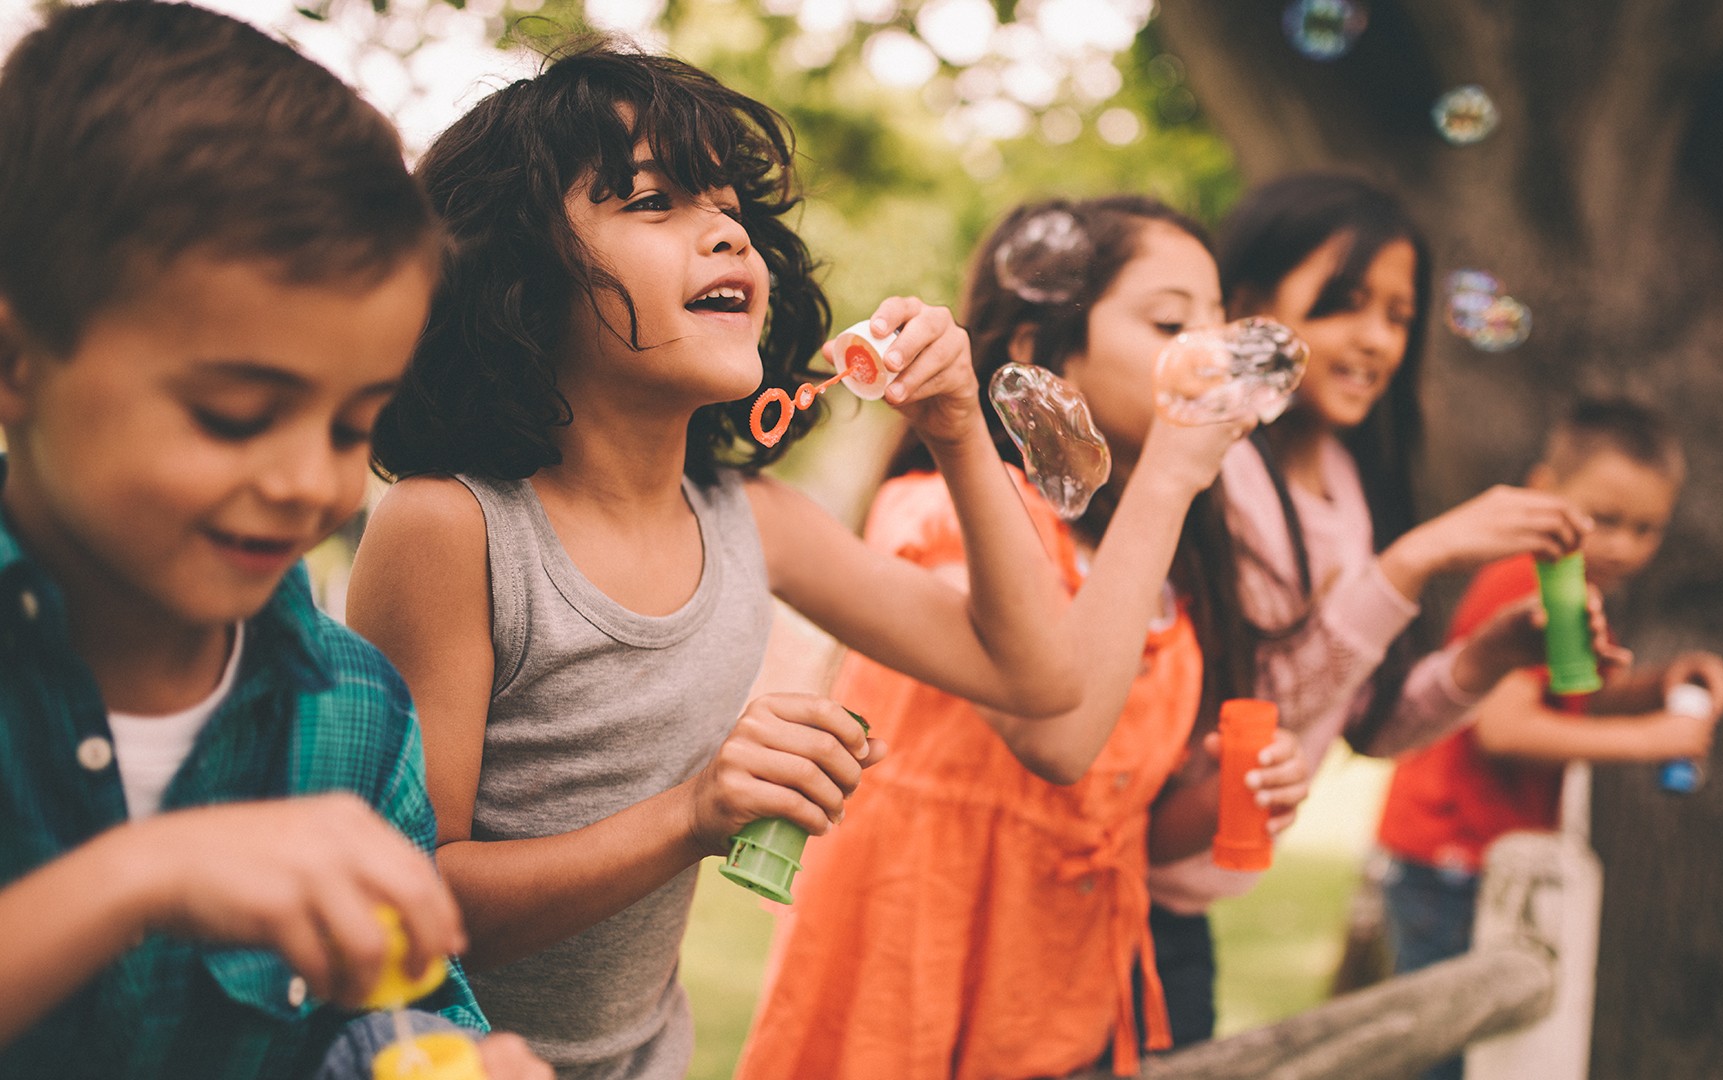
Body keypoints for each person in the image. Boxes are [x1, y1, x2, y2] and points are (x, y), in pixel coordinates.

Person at [345, 43, 1082, 1080]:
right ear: (518, 272)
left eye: (732, 207)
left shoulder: (749, 518)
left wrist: (959, 428)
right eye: (654, 202)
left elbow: (1037, 676)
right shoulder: (452, 530)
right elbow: (402, 905)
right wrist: (694, 814)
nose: (727, 231)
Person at [0, 3, 546, 1077]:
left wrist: (448, 1057)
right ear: (19, 364)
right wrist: (136, 879)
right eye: (235, 415)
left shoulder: (355, 711)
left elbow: (387, 1007)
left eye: (353, 426)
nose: (309, 484)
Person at [736, 195, 1311, 1080]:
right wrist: (1167, 480)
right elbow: (1057, 738)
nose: (1216, 349)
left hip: (1064, 1000)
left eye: (1220, 319)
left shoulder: (1151, 570)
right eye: (1170, 320)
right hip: (913, 979)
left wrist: (1233, 801)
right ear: (1042, 355)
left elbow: (1114, 817)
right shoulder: (943, 518)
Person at [1144, 172, 1596, 1047]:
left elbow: (1369, 724)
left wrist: (1485, 659)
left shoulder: (1357, 486)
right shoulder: (1212, 473)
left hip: (1186, 914)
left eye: (1398, 314)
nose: (1376, 339)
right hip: (1124, 882)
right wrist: (1407, 565)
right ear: (1244, 306)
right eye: (1343, 302)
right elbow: (1261, 704)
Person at [1373, 398, 1723, 1080]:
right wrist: (1655, 738)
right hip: (1449, 860)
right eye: (1605, 519)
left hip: (1485, 860)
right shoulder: (1523, 577)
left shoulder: (1574, 582)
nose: (1623, 544)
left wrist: (1656, 686)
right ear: (1543, 492)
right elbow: (1506, 729)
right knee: (1447, 1054)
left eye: (1647, 528)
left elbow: (1561, 694)